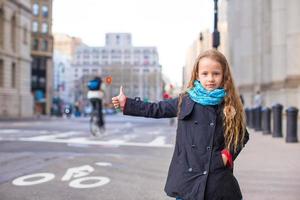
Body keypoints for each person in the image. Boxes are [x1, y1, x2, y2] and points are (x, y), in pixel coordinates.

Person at [112, 49, 249, 200]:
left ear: (224, 75)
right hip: (187, 178)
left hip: (216, 178)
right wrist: (127, 104)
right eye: (205, 73)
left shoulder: (229, 103)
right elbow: (156, 109)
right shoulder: (185, 100)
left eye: (216, 73)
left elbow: (241, 134)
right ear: (197, 75)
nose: (210, 78)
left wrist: (226, 156)